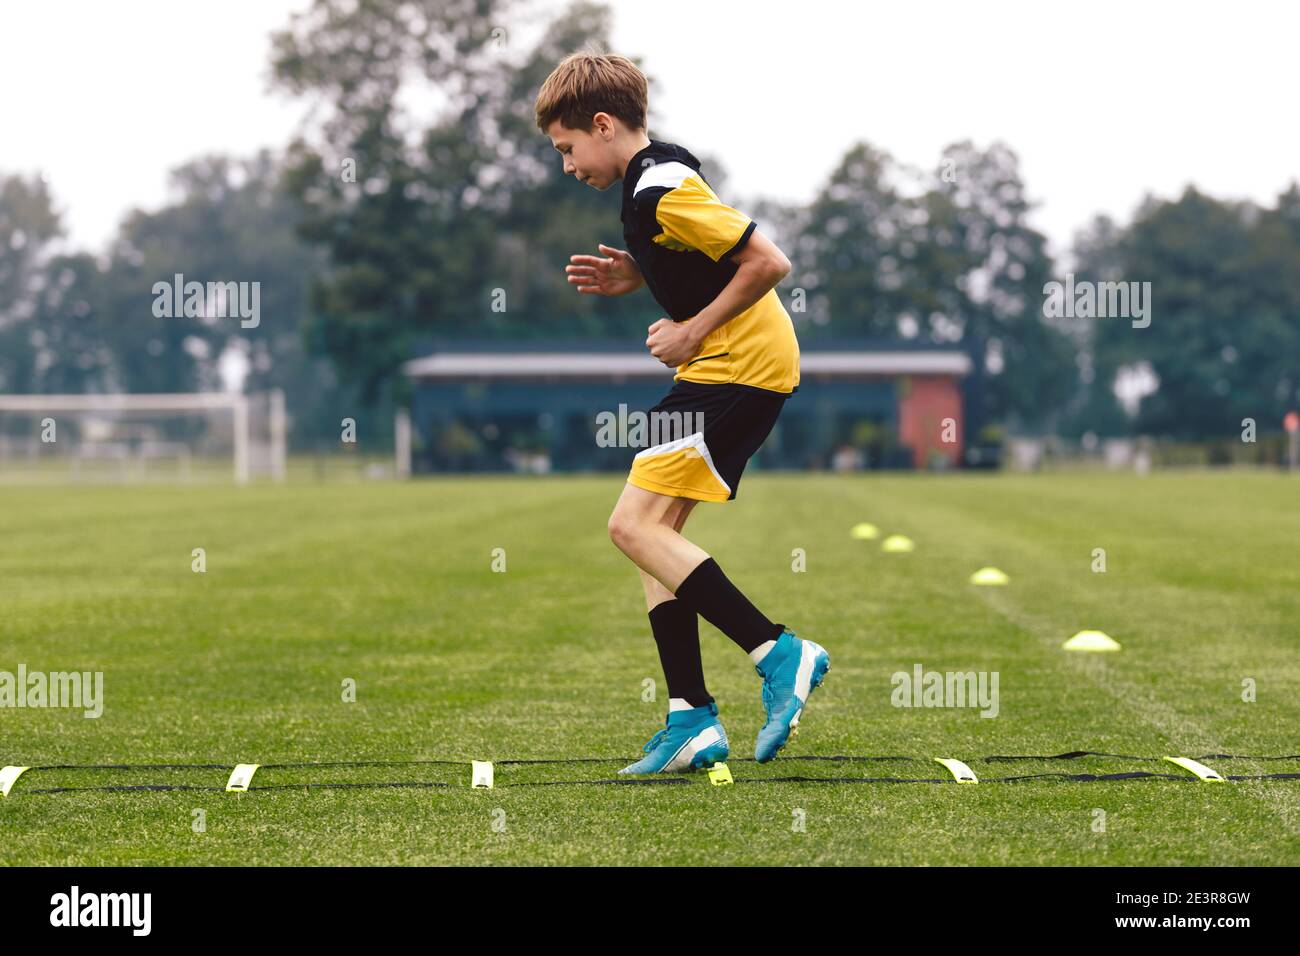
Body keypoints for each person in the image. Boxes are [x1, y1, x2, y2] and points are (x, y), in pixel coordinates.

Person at [535, 52, 829, 773]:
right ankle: (691, 716)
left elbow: (767, 261)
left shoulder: (659, 187)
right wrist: (642, 272)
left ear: (603, 125)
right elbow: (708, 254)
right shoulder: (651, 182)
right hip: (726, 368)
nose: (569, 166)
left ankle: (779, 652)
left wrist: (692, 328)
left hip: (737, 366)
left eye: (569, 148)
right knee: (651, 534)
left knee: (628, 524)